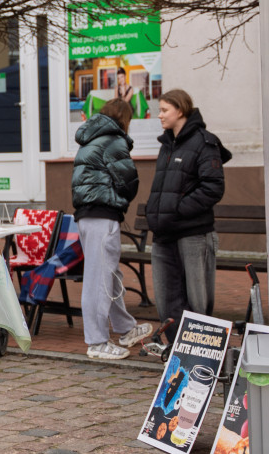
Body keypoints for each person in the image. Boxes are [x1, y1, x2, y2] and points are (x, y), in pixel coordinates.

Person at [146, 89, 231, 342]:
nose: (159, 115)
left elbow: (213, 187)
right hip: (164, 235)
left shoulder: (205, 142)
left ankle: (200, 353)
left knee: (197, 300)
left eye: (164, 110)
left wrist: (176, 211)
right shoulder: (166, 144)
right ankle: (176, 350)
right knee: (167, 299)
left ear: (180, 111)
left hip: (193, 234)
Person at [71, 99, 151, 360]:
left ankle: (125, 327)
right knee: (99, 279)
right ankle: (97, 341)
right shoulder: (114, 140)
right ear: (124, 119)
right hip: (102, 214)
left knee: (109, 274)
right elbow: (128, 181)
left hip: (88, 214)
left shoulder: (91, 139)